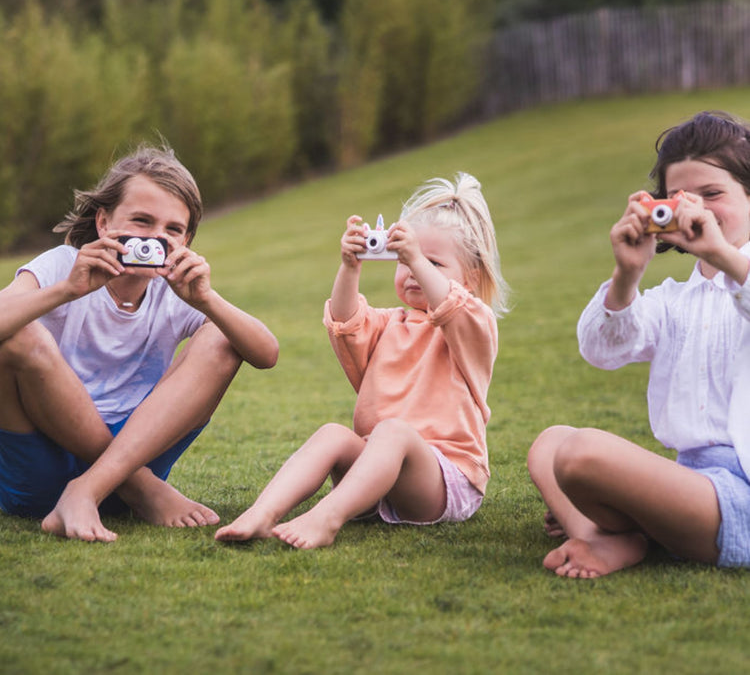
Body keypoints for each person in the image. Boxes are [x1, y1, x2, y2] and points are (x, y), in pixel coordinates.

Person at [0, 144, 279, 543]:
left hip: (139, 451)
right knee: (18, 334)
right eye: (142, 222)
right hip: (43, 477)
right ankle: (137, 487)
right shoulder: (64, 265)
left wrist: (206, 301)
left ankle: (89, 490)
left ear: (186, 242)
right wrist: (66, 290)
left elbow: (266, 354)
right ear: (103, 222)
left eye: (172, 230)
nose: (155, 238)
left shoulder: (177, 292)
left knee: (222, 334)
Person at [215, 173, 509, 548]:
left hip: (444, 481)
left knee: (394, 431)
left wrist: (416, 257)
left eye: (434, 263)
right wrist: (350, 266)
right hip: (374, 474)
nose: (414, 272)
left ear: (470, 278)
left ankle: (327, 518)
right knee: (333, 434)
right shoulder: (391, 323)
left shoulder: (473, 325)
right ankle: (263, 513)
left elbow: (451, 309)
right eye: (404, 262)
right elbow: (345, 323)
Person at [527, 110, 750, 578]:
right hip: (686, 482)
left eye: (714, 194)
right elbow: (600, 349)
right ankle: (607, 539)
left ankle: (611, 536)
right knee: (552, 444)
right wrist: (627, 273)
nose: (700, 210)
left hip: (740, 498)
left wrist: (723, 256)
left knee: (582, 452)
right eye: (682, 199)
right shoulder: (672, 300)